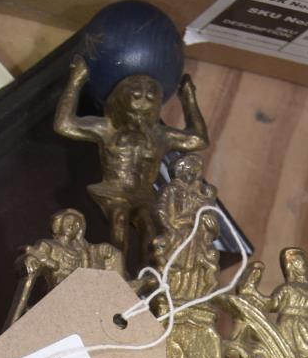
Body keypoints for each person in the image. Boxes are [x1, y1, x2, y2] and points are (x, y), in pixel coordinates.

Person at [54, 56, 208, 251]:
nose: (142, 102)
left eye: (150, 98)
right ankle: (117, 273)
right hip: (114, 190)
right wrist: (76, 81)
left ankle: (148, 276)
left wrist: (188, 98)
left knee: (149, 226)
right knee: (119, 217)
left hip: (144, 194)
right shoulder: (108, 127)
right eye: (136, 95)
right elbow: (64, 125)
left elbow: (198, 139)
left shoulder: (160, 135)